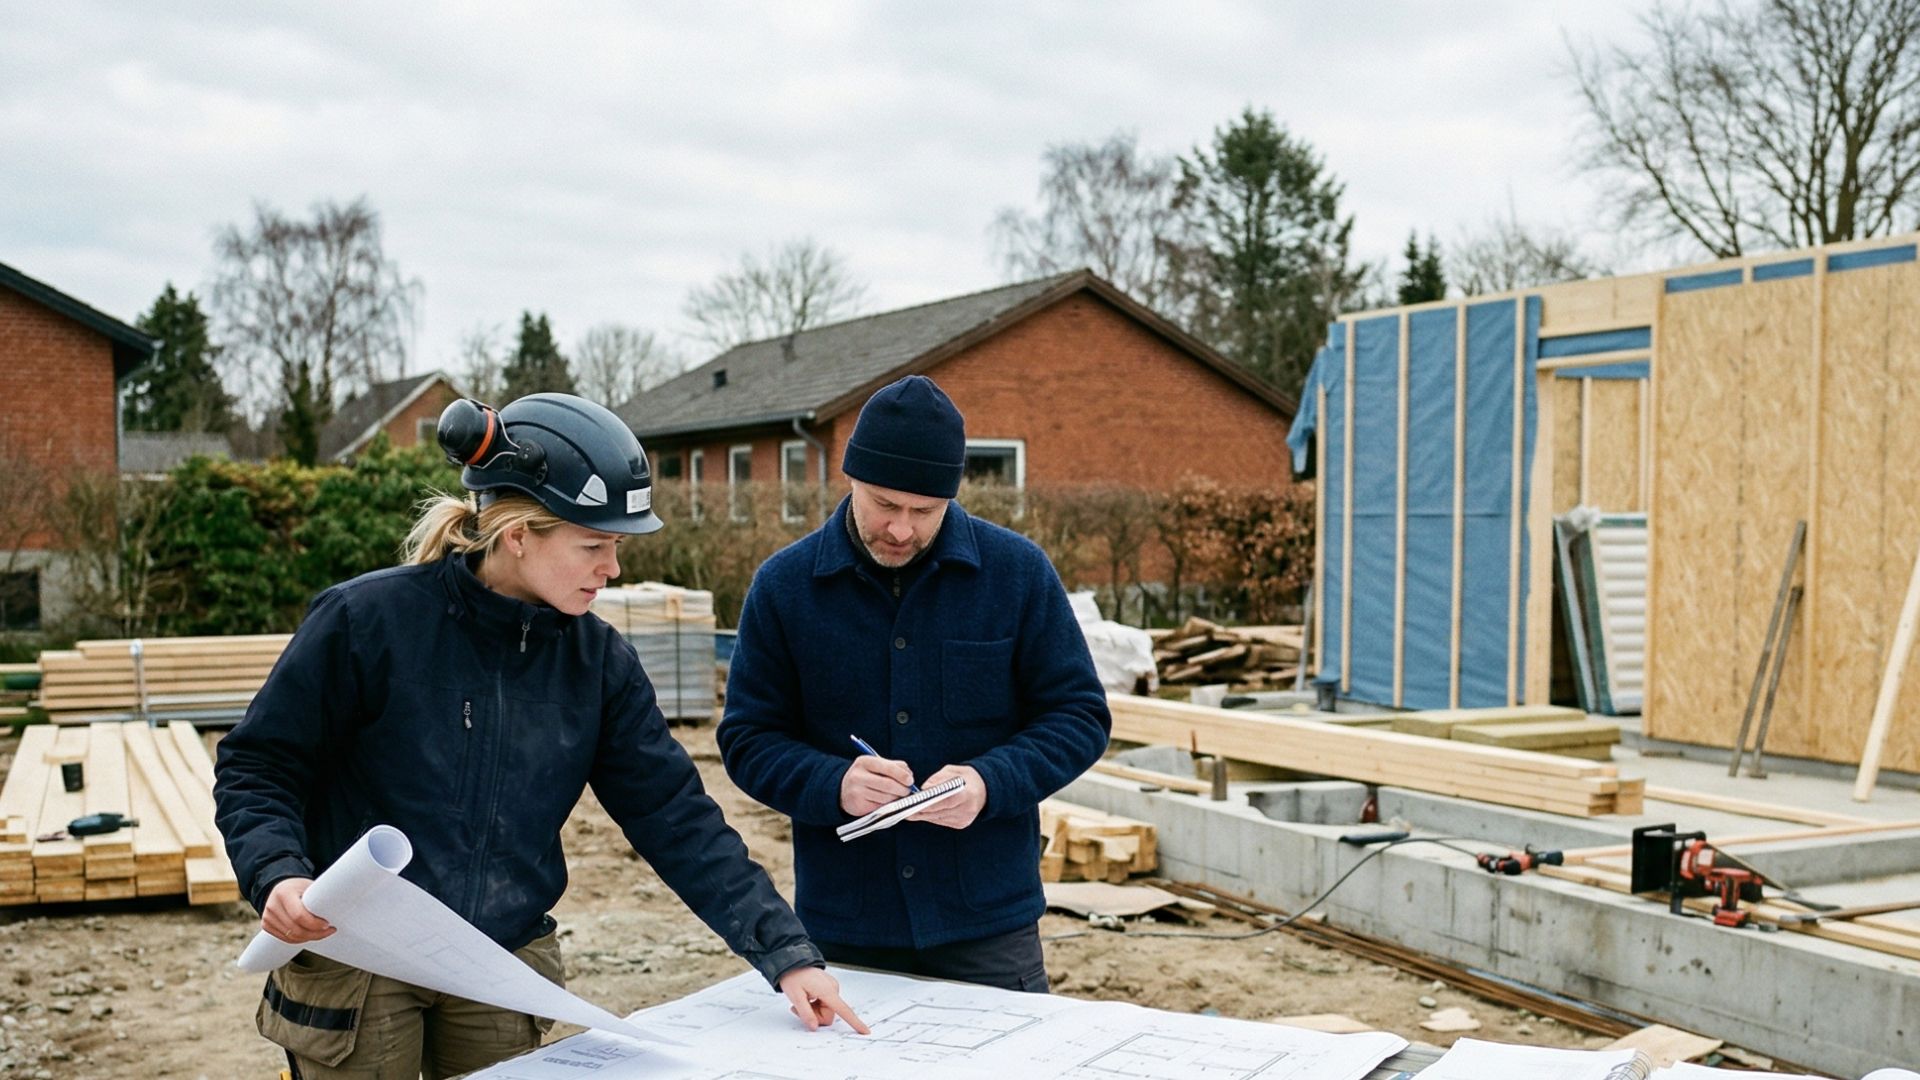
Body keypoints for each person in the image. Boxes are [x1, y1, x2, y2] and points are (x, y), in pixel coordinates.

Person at [213, 393, 864, 1080]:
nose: (612, 568)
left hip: (499, 966)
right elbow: (258, 767)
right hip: (358, 957)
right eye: (594, 545)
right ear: (518, 534)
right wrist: (278, 872)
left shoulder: (597, 663)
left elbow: (677, 820)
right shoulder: (367, 623)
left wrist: (787, 954)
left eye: (616, 546)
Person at [716, 374, 1111, 993]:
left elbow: (1079, 716)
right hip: (846, 929)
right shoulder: (784, 589)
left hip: (988, 929)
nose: (901, 529)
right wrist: (833, 783)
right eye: (883, 505)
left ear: (951, 497)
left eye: (924, 511)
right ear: (849, 480)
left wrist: (989, 782)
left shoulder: (1017, 576)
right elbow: (747, 738)